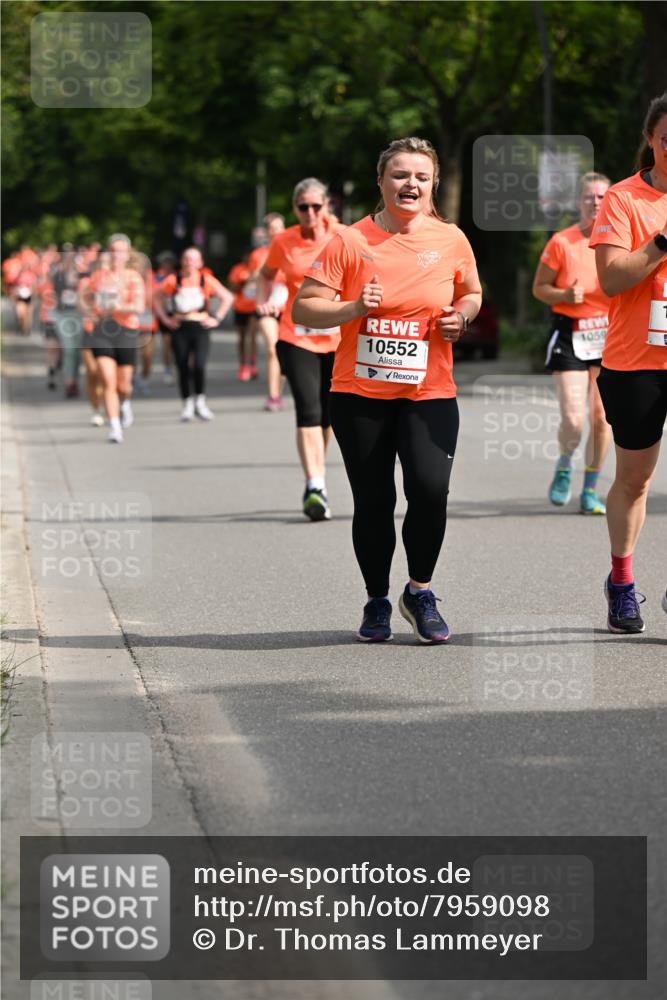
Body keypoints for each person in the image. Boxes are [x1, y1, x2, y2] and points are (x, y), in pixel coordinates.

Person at [293, 137, 482, 642]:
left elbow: (472, 292)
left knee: (429, 491)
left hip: (430, 392)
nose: (411, 184)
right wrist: (354, 307)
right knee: (373, 501)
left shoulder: (452, 240)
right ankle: (377, 599)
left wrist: (460, 318)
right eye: (400, 175)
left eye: (421, 176)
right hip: (360, 396)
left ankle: (419, 591)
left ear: (433, 183)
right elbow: (304, 309)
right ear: (381, 182)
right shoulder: (349, 241)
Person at [590, 91, 667, 633]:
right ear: (651, 140)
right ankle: (621, 580)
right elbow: (612, 279)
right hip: (636, 360)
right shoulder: (622, 199)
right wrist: (662, 241)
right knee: (635, 480)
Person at [259, 180, 345, 520]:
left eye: (316, 206)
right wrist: (265, 301)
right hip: (297, 336)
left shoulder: (344, 236)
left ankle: (317, 473)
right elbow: (265, 274)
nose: (310, 213)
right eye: (303, 207)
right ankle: (315, 484)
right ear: (295, 209)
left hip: (338, 337)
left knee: (328, 414)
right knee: (308, 409)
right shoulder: (284, 241)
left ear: (327, 207)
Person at [532, 172, 612, 513]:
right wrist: (565, 294)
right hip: (570, 334)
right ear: (578, 202)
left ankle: (590, 490)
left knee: (602, 419)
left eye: (601, 197)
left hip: (610, 335)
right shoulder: (561, 242)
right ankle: (565, 463)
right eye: (588, 197)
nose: (595, 203)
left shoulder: (620, 240)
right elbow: (539, 288)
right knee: (574, 419)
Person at [154, 247, 233, 421]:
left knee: (199, 365)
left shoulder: (206, 280)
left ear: (200, 263)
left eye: (193, 259)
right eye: (186, 259)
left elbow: (227, 297)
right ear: (182, 261)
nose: (189, 263)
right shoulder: (173, 280)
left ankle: (200, 400)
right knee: (182, 366)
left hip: (200, 326)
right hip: (180, 326)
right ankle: (187, 403)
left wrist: (216, 318)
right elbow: (156, 297)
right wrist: (165, 319)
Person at [79, 234, 145, 443]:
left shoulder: (134, 277)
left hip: (126, 330)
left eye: (121, 251)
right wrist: (89, 312)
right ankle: (115, 426)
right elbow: (83, 299)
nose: (117, 255)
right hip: (102, 331)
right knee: (107, 379)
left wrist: (118, 307)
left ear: (127, 254)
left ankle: (124, 402)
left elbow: (139, 307)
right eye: (113, 250)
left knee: (123, 385)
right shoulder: (99, 276)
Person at [248, 213, 288, 410]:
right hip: (266, 307)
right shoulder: (259, 255)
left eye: (280, 227)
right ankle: (272, 396)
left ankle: (278, 391)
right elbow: (254, 279)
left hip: (287, 308)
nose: (276, 232)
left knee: (283, 351)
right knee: (273, 348)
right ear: (266, 232)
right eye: (272, 228)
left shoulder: (292, 250)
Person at [227, 251, 258, 382]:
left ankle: (251, 365)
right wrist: (245, 281)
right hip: (240, 307)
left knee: (252, 336)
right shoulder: (237, 269)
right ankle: (243, 364)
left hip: (254, 307)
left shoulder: (258, 269)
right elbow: (232, 287)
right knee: (242, 337)